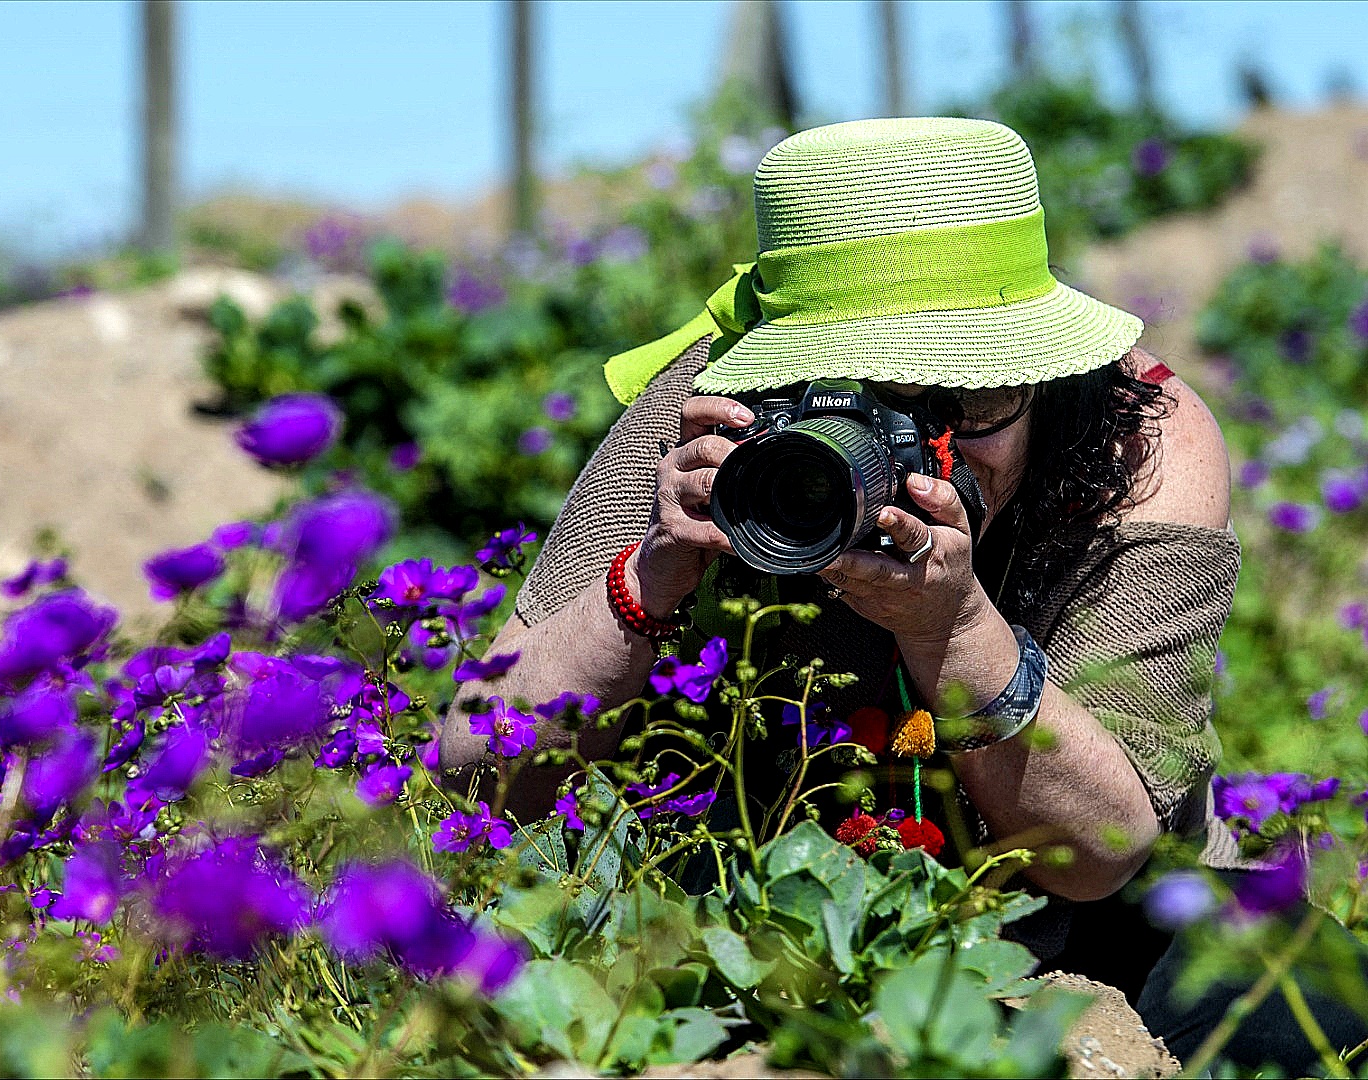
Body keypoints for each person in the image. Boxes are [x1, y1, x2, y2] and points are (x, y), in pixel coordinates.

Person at [435, 117, 1346, 1069]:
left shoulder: (1139, 438)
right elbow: (476, 771)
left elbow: (1100, 848)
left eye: (978, 397)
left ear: (1046, 368)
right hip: (768, 885)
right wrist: (651, 574)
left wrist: (952, 629)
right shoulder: (712, 414)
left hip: (1110, 906)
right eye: (874, 400)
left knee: (1308, 1019)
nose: (928, 450)